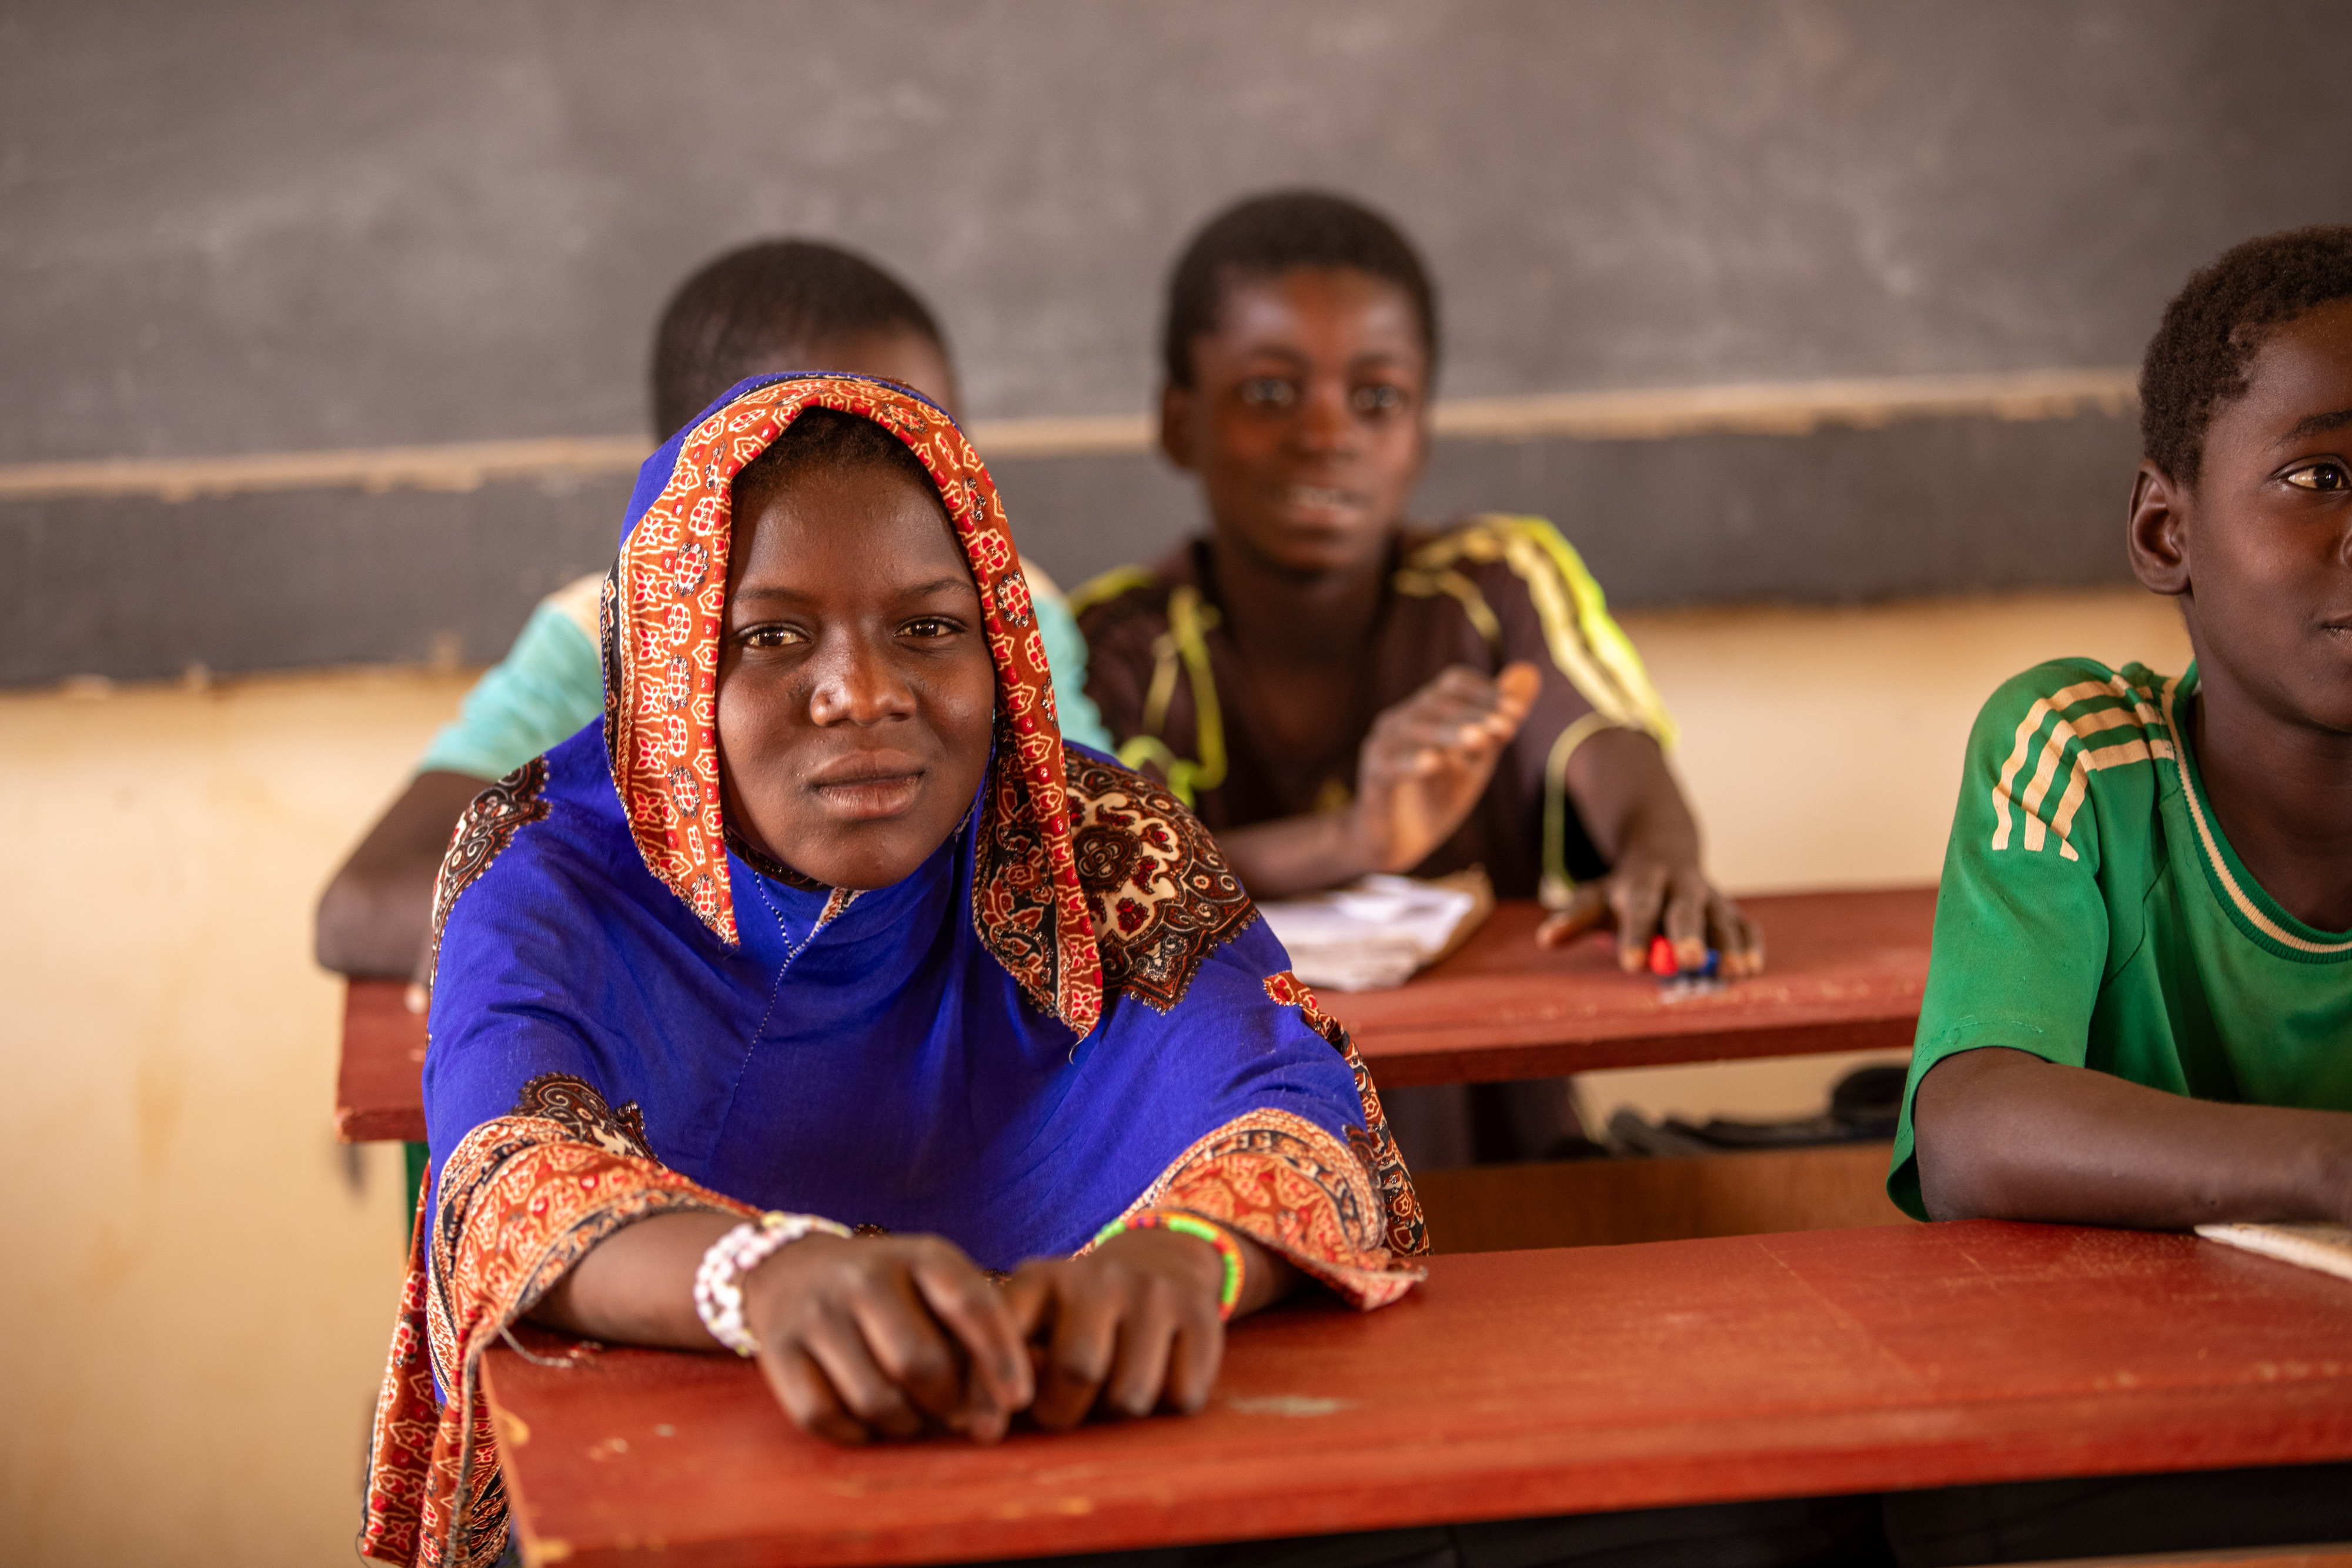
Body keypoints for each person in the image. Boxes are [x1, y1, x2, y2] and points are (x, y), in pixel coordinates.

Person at [358, 375, 1427, 1568]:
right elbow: (508, 1183)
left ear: (1000, 645)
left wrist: (1189, 1256)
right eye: (768, 637)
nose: (863, 689)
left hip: (1076, 1490)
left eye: (928, 626)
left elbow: (1294, 1109)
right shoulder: (547, 869)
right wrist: (759, 1277)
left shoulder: (1094, 840)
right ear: (668, 670)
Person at [1075, 192, 1759, 1165]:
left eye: (1378, 398)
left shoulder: (1496, 585)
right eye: (1270, 393)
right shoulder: (1114, 641)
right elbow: (1116, 886)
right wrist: (1358, 838)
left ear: (1423, 432)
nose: (1327, 434)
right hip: (1218, 1173)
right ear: (1179, 421)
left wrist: (1661, 856)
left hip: (1509, 1167)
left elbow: (1613, 753)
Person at [1883, 227, 2352, 1561]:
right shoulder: (2081, 751)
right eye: (2316, 473)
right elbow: (1972, 1123)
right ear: (2165, 532)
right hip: (2106, 1428)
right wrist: (2329, 1161)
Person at [317, 239, 1112, 988]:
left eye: (922, 438)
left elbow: (1094, 861)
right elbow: (360, 905)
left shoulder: (1011, 608)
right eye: (805, 439)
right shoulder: (596, 634)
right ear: (683, 471)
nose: (865, 692)